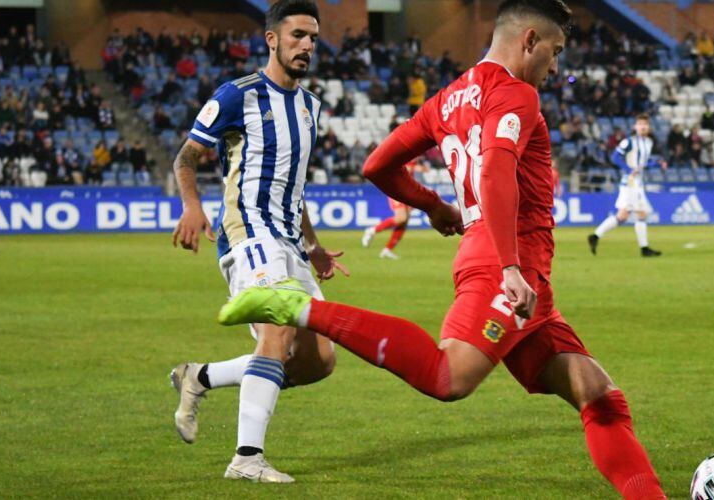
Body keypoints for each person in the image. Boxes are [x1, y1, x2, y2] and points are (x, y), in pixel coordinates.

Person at [216, 2, 667, 497]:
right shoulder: (517, 95)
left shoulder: (448, 98)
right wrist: (511, 267)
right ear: (530, 40)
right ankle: (295, 307)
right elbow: (494, 169)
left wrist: (434, 205)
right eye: (555, 52)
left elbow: (378, 166)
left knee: (599, 397)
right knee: (446, 376)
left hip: (513, 271)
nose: (556, 67)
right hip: (507, 267)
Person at [168, 0, 348, 483]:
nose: (307, 45)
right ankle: (246, 457)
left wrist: (312, 244)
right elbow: (185, 158)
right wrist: (191, 207)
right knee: (278, 333)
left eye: (313, 37)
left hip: (291, 241)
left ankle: (199, 377)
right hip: (249, 236)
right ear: (272, 39)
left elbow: (296, 186)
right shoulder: (236, 95)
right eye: (297, 36)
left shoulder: (309, 107)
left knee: (318, 361)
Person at [589, 114, 665, 257]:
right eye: (640, 124)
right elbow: (615, 157)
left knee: (622, 216)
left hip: (636, 183)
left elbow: (642, 164)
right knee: (641, 214)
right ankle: (644, 248)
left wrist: (656, 164)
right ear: (635, 127)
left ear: (649, 127)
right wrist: (628, 169)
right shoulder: (629, 142)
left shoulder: (649, 143)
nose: (643, 126)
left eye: (645, 124)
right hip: (630, 182)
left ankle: (595, 236)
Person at [361, 158, 430, 259]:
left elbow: (416, 171)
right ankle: (372, 230)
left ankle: (387, 250)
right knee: (401, 218)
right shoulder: (401, 158)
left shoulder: (412, 162)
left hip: (406, 192)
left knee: (404, 221)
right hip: (396, 190)